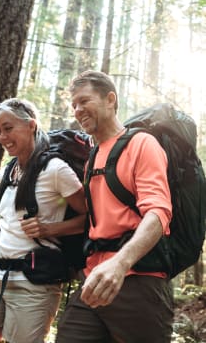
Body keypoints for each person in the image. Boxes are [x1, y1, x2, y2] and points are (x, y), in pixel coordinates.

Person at [55, 70, 174, 343]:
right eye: (74, 105)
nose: (77, 110)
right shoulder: (92, 158)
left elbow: (158, 212)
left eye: (84, 101)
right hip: (94, 277)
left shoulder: (142, 143)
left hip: (139, 279)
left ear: (110, 99)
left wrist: (120, 263)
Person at [0, 98, 87, 343]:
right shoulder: (6, 172)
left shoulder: (56, 169)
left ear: (31, 125)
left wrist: (51, 228)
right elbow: (9, 218)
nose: (2, 137)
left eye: (8, 128)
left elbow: (90, 218)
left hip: (34, 283)